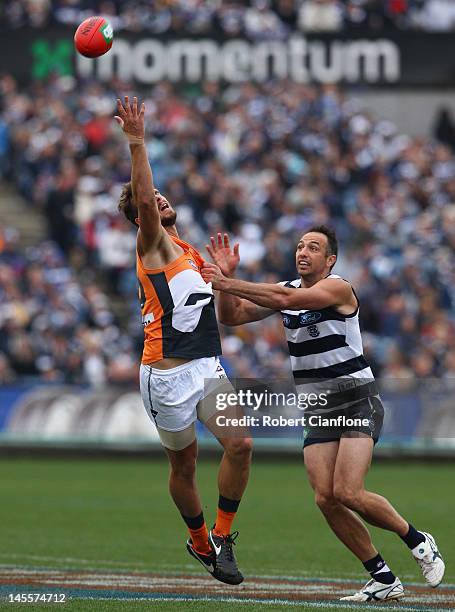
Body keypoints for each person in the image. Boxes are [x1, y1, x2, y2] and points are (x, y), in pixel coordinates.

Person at [201, 227, 445, 602]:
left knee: (349, 490)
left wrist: (228, 281)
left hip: (355, 397)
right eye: (300, 246)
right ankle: (381, 577)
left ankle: (417, 540)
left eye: (313, 248)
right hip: (318, 405)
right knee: (325, 498)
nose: (303, 252)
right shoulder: (288, 287)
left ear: (329, 260)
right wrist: (224, 282)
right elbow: (232, 317)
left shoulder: (338, 288)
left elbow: (285, 298)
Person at [114, 96, 252, 585]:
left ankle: (223, 537)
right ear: (140, 217)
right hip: (165, 373)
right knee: (185, 465)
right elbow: (145, 198)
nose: (159, 200)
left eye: (160, 197)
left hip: (205, 365)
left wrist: (230, 283)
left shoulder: (191, 252)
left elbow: (225, 317)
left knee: (241, 444)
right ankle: (198, 542)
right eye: (150, 202)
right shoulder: (149, 243)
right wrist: (137, 142)